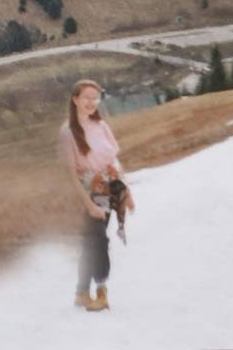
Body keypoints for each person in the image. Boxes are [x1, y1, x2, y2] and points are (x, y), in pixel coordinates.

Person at [59, 79, 133, 312]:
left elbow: (114, 160)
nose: (91, 102)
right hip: (86, 194)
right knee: (99, 241)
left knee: (91, 244)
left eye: (95, 97)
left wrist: (125, 190)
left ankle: (81, 293)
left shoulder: (100, 125)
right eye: (86, 97)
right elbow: (70, 175)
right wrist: (88, 205)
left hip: (107, 192)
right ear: (75, 100)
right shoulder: (67, 132)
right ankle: (101, 292)